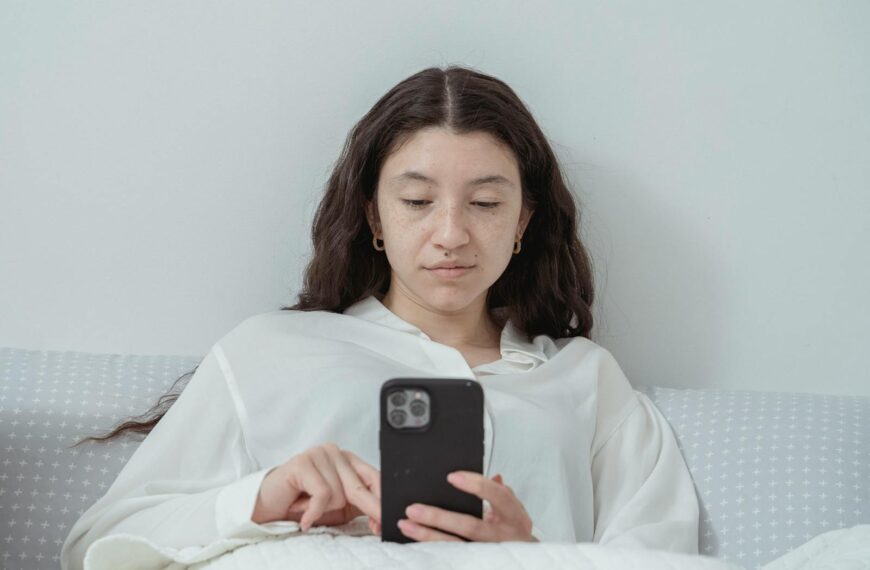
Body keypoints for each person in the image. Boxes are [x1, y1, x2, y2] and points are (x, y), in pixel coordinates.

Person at [61, 65, 700, 569]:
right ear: (374, 217)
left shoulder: (587, 380)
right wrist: (263, 498)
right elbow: (98, 547)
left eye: (484, 202)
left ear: (522, 224)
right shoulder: (269, 350)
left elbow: (663, 558)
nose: (451, 234)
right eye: (418, 200)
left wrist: (529, 558)